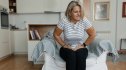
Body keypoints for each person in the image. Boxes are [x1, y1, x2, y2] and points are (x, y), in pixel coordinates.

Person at [53, 1, 96, 70]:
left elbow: (93, 34)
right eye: (76, 12)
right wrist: (64, 45)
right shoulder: (64, 21)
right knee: (71, 54)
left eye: (80, 11)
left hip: (80, 48)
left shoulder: (83, 20)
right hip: (67, 49)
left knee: (80, 54)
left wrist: (83, 45)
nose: (79, 14)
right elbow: (56, 34)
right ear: (70, 12)